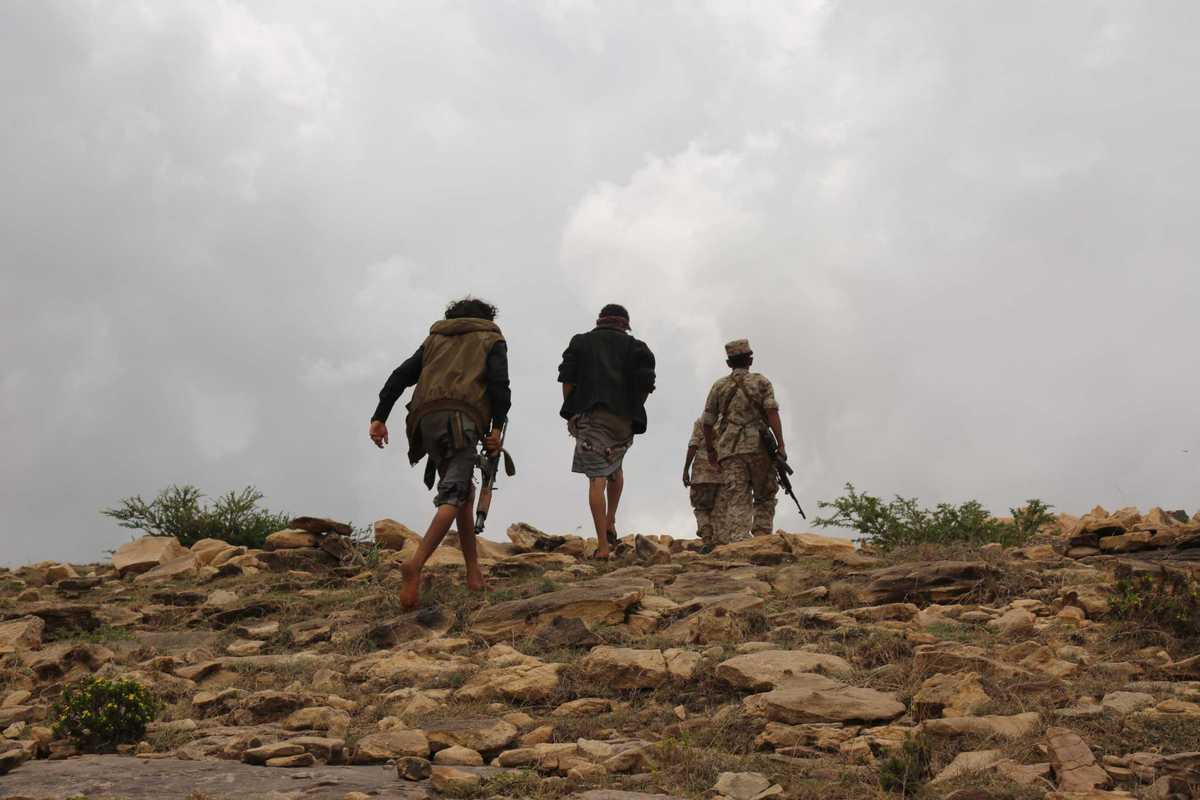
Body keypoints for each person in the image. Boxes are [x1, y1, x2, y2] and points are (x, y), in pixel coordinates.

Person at [369, 296, 510, 609]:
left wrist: (379, 417)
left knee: (464, 491)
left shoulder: (435, 339)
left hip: (423, 421)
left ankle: (474, 574)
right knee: (454, 493)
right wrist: (497, 428)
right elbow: (500, 386)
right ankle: (415, 565)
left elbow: (400, 376)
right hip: (460, 419)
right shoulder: (491, 339)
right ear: (487, 318)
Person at [558, 304, 656, 559]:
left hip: (592, 416)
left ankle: (602, 546)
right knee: (615, 466)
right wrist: (635, 406)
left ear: (600, 321)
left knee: (596, 479)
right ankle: (611, 520)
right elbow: (646, 384)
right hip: (624, 421)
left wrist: (571, 412)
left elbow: (568, 380)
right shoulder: (638, 348)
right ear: (625, 325)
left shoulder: (581, 342)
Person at [701, 339, 785, 544]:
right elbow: (771, 412)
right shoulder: (761, 382)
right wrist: (781, 444)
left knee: (737, 495)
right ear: (750, 359)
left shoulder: (718, 386)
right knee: (764, 494)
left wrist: (711, 451)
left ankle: (739, 540)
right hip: (760, 447)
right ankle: (762, 538)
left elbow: (707, 421)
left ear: (729, 363)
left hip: (729, 450)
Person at [683, 417, 723, 549]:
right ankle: (718, 541)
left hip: (701, 474)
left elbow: (693, 445)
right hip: (721, 473)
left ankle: (707, 539)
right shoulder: (728, 420)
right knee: (720, 509)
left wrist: (685, 469)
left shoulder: (701, 422)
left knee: (701, 509)